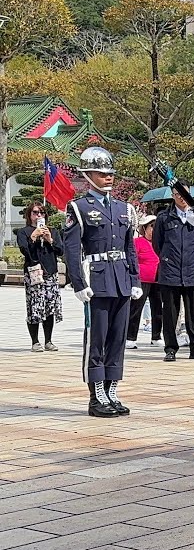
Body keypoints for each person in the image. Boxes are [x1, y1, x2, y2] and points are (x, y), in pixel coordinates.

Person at [63, 147, 141, 418]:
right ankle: (96, 395)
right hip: (97, 280)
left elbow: (130, 247)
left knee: (118, 339)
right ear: (87, 175)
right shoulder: (79, 208)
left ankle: (111, 391)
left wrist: (134, 278)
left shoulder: (124, 208)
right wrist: (78, 283)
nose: (108, 178)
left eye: (110, 174)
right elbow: (72, 249)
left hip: (121, 279)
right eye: (101, 173)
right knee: (96, 339)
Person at [153, 194, 194, 362]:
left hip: (193, 270)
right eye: (177, 194)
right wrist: (169, 258)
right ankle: (170, 348)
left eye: (184, 193)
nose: (181, 197)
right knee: (170, 313)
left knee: (193, 313)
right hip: (171, 271)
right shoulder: (164, 217)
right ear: (173, 195)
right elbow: (157, 244)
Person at [16, 201, 63, 353]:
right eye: (35, 212)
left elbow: (61, 250)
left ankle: (48, 340)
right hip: (34, 273)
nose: (39, 215)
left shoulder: (53, 231)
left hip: (50, 272)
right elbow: (25, 250)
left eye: (42, 213)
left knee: (50, 307)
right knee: (34, 306)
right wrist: (33, 237)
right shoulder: (24, 232)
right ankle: (35, 341)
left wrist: (50, 239)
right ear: (29, 215)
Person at [126, 214, 160, 350]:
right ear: (144, 228)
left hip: (158, 280)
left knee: (158, 309)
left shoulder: (161, 242)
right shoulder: (138, 242)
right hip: (142, 280)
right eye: (152, 226)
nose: (154, 230)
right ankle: (130, 337)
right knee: (136, 309)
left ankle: (156, 336)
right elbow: (132, 260)